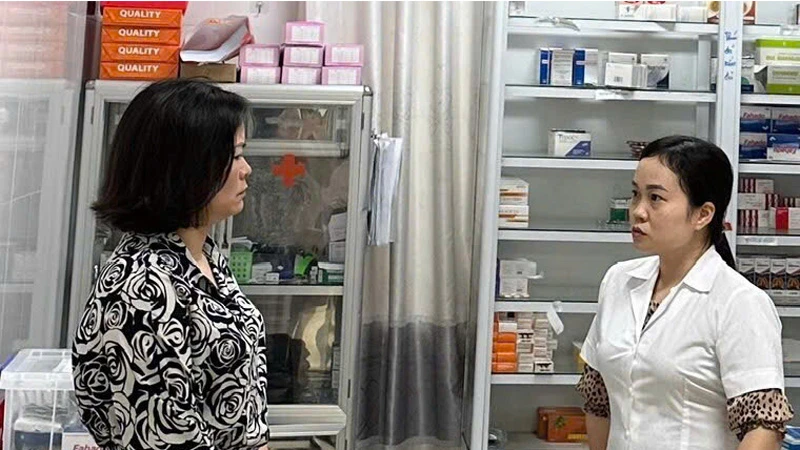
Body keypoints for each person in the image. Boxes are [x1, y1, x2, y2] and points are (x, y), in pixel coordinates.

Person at [71, 79, 270, 450]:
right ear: (185, 168)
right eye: (235, 155)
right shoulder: (142, 288)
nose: (246, 169)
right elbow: (165, 436)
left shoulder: (203, 254)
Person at [577, 136, 793, 450]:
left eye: (655, 198)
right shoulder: (619, 281)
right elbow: (598, 399)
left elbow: (762, 428)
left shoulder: (739, 303)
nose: (637, 211)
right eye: (636, 194)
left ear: (702, 215)